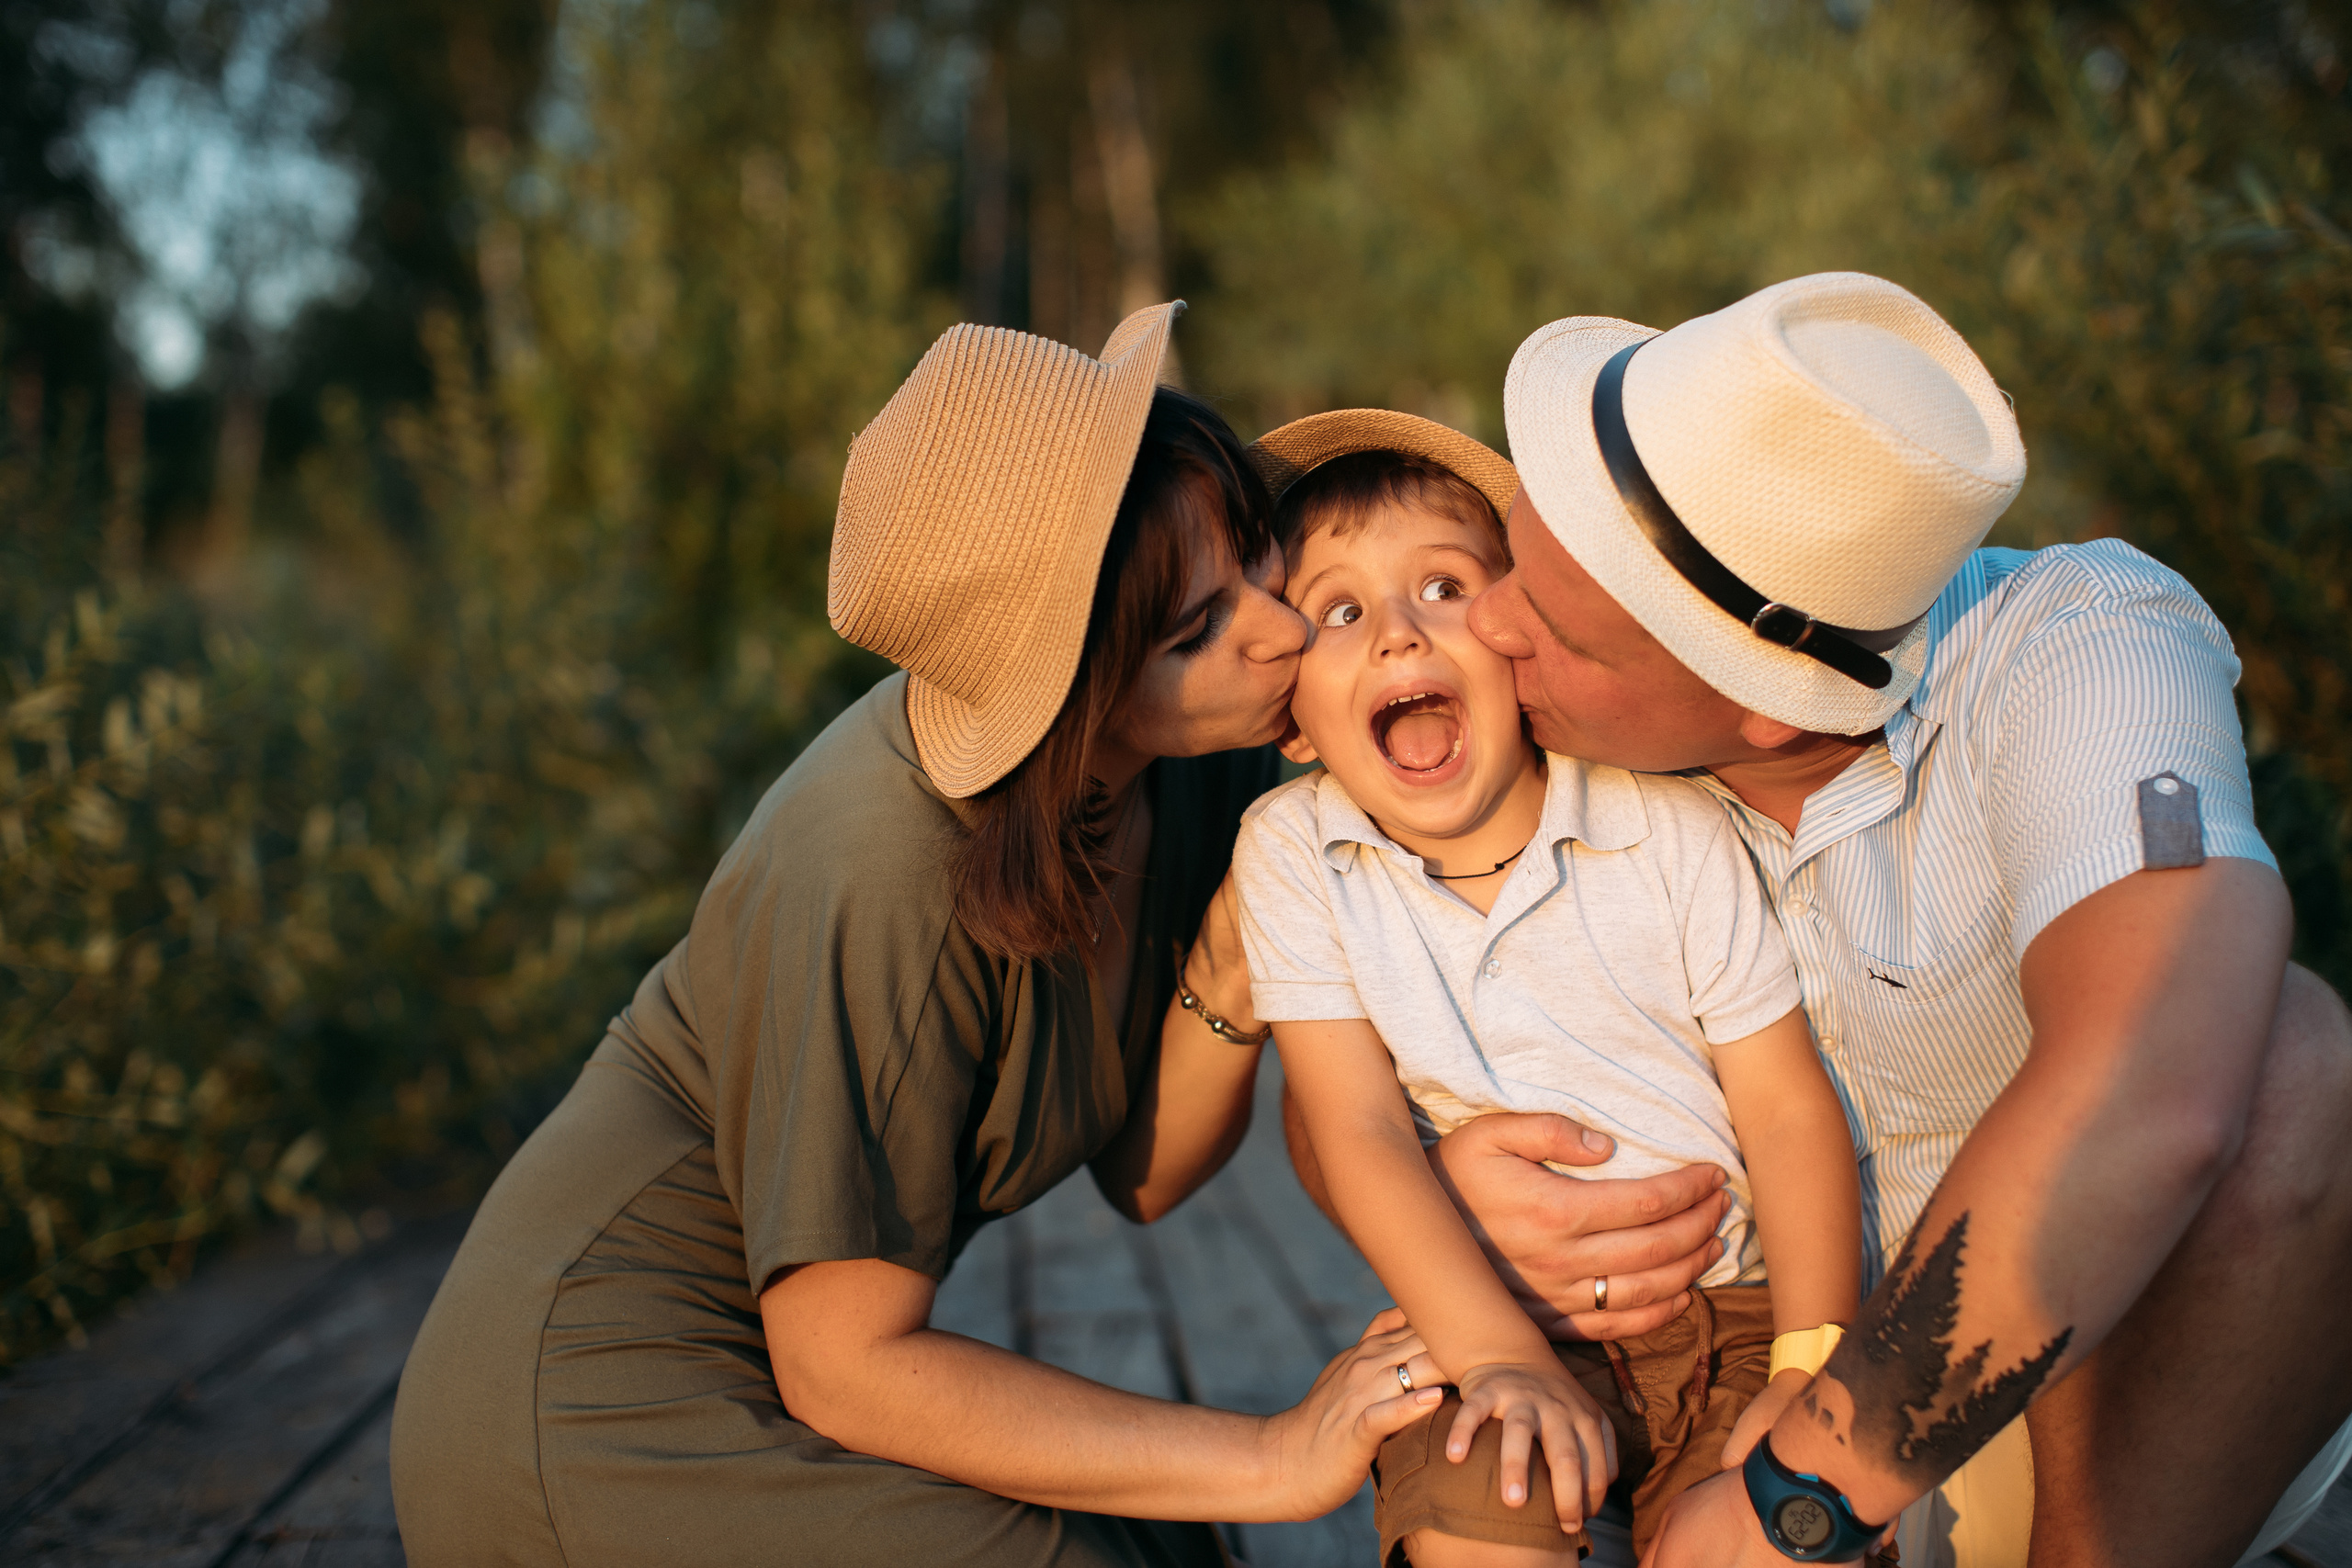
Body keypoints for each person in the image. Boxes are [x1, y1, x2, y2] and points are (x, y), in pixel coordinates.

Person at [1274, 272, 2352, 1566]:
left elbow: (2162, 1082)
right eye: (1514, 560)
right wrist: (1428, 1181)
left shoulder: (2075, 644)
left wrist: (1807, 1491)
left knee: (2289, 1050)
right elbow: (1347, 1037)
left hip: (2026, 1412)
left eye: (1552, 625)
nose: (1490, 625)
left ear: (1760, 705)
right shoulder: (1552, 753)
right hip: (1719, 1388)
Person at [389, 305, 1453, 1568]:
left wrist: (1228, 963)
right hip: (600, 1401)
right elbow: (845, 1361)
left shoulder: (1197, 750)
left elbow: (1144, 1171)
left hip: (797, 1379)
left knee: (1177, 1549)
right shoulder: (886, 859)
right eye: (1194, 631)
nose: (1279, 631)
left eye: (1254, 558)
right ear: (1067, 685)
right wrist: (1277, 1449)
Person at [1227, 415, 1866, 1567]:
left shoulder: (1661, 823)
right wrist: (1496, 1357)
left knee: (1765, 1541)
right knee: (1479, 1529)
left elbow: (1780, 1105)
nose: (1395, 635)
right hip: (1490, 1314)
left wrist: (1809, 1368)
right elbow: (1356, 1126)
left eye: (1441, 585)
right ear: (1293, 726)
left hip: (1739, 1313)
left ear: (1518, 640)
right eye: (1337, 610)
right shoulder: (1291, 854)